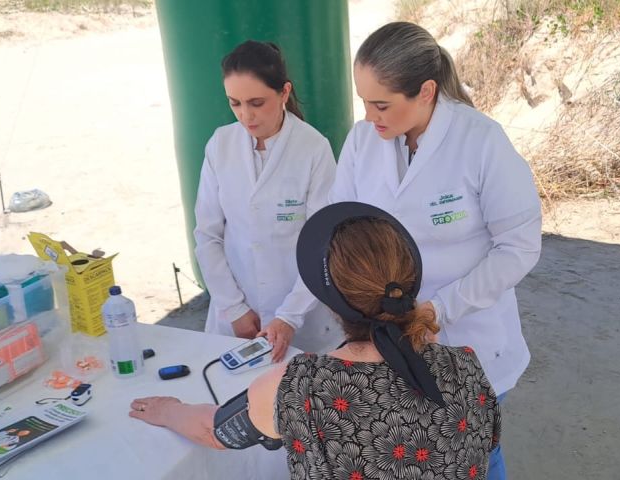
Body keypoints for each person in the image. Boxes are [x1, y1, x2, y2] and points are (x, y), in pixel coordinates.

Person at [130, 202, 502, 480]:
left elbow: (215, 430)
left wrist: (168, 409)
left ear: (331, 302)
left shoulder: (300, 387)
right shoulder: (467, 366)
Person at [328, 21, 543, 479]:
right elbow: (339, 227)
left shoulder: (481, 142)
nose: (369, 116)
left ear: (425, 91)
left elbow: (518, 247)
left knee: (475, 457)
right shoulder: (363, 140)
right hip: (386, 339)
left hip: (472, 337)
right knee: (409, 455)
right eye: (364, 101)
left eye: (381, 104)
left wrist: (441, 309)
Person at [193, 40, 341, 357]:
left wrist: (288, 316)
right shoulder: (221, 144)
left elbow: (324, 246)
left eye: (257, 102)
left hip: (303, 319)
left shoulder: (314, 149)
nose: (246, 115)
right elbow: (207, 235)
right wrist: (234, 309)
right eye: (235, 103)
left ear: (284, 93)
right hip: (234, 319)